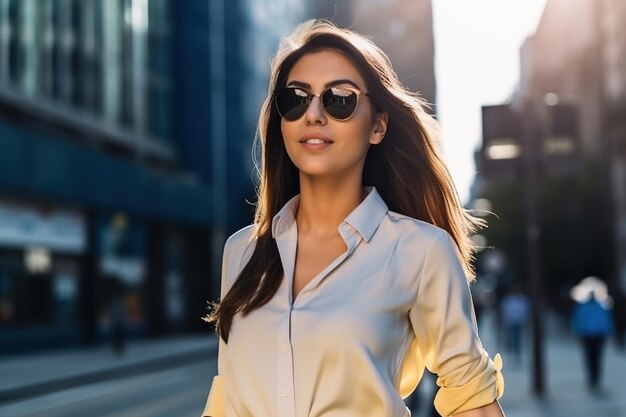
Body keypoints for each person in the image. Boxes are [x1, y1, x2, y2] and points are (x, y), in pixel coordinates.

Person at [201, 20, 505, 417]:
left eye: (338, 99)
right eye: (295, 99)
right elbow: (228, 399)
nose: (312, 114)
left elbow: (472, 400)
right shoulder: (242, 251)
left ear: (377, 125)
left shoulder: (421, 251)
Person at [570, 277, 614, 391]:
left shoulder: (600, 306)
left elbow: (606, 321)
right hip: (590, 335)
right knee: (592, 357)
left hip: (596, 335)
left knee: (594, 357)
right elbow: (578, 321)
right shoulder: (585, 307)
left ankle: (595, 378)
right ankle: (592, 378)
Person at [499, 285, 530, 364]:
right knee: (512, 338)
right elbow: (504, 312)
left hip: (518, 322)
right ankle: (512, 352)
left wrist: (525, 321)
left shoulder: (522, 299)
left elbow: (525, 311)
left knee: (518, 338)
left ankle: (517, 354)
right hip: (511, 322)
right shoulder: (508, 300)